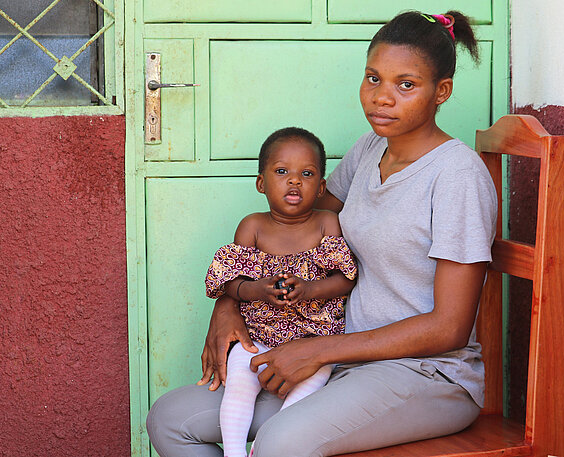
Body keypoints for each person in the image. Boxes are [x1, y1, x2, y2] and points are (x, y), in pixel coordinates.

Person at [146, 10, 497, 457]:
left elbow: (449, 327)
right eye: (373, 79)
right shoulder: (371, 149)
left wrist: (320, 350)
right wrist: (230, 301)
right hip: (344, 362)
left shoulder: (457, 176)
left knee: (280, 443)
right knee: (171, 420)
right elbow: (297, 228)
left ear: (441, 91)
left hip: (426, 375)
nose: (382, 98)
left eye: (405, 85)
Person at [204, 127, 357, 457]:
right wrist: (257, 289)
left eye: (307, 173)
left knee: (314, 382)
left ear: (321, 187)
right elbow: (230, 281)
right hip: (258, 335)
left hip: (314, 339)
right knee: (240, 380)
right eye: (282, 171)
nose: (294, 181)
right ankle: (233, 452)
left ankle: (266, 444)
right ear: (261, 183)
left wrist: (310, 289)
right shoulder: (252, 226)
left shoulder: (327, 223)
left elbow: (345, 278)